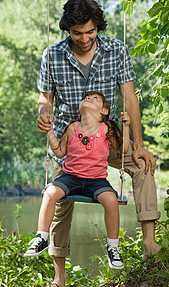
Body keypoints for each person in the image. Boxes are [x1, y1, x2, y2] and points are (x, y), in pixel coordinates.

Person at [37, 0, 161, 287]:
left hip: (111, 137)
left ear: (98, 27)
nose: (84, 38)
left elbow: (128, 97)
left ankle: (150, 244)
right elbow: (45, 98)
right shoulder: (52, 55)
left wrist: (139, 143)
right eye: (77, 33)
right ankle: (59, 276)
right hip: (72, 143)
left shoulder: (116, 50)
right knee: (59, 203)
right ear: (68, 29)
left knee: (143, 167)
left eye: (90, 32)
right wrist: (44, 114)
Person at [25, 91, 130, 271]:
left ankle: (113, 247)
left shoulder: (107, 129)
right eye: (86, 98)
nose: (88, 98)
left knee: (112, 200)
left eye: (94, 98)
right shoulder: (72, 127)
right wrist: (49, 131)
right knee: (50, 193)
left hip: (97, 181)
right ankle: (41, 237)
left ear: (104, 111)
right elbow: (59, 152)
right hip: (70, 178)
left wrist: (126, 126)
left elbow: (124, 150)